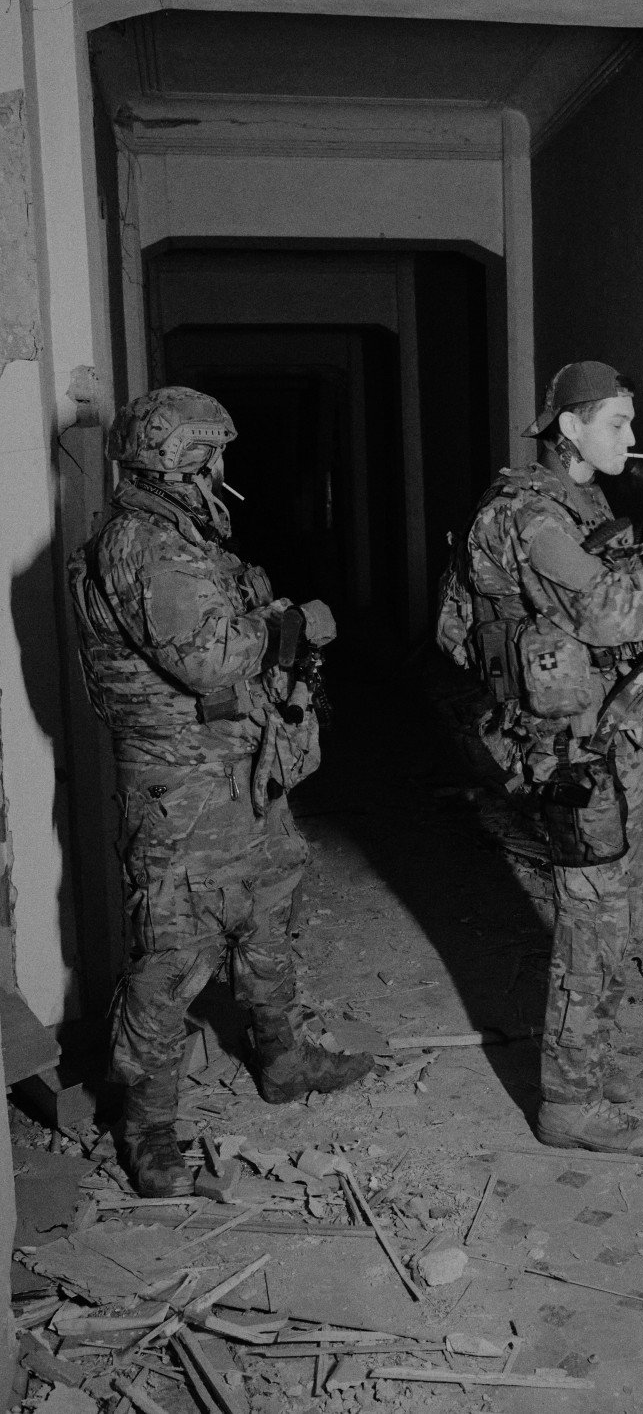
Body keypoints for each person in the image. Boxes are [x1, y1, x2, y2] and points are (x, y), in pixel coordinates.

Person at [68, 387, 374, 1198]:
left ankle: (282, 1056)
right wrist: (297, 624)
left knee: (269, 905)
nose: (225, 467)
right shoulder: (144, 543)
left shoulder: (183, 534)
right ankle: (148, 1128)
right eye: (215, 452)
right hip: (183, 786)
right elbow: (209, 662)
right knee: (173, 954)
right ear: (184, 458)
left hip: (238, 764)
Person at [453, 360, 643, 1155]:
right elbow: (615, 610)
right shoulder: (530, 514)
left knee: (620, 911)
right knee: (593, 920)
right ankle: (568, 1103)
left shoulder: (583, 501)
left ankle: (584, 1063)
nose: (630, 435)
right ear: (568, 428)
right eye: (615, 422)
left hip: (609, 735)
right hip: (571, 756)